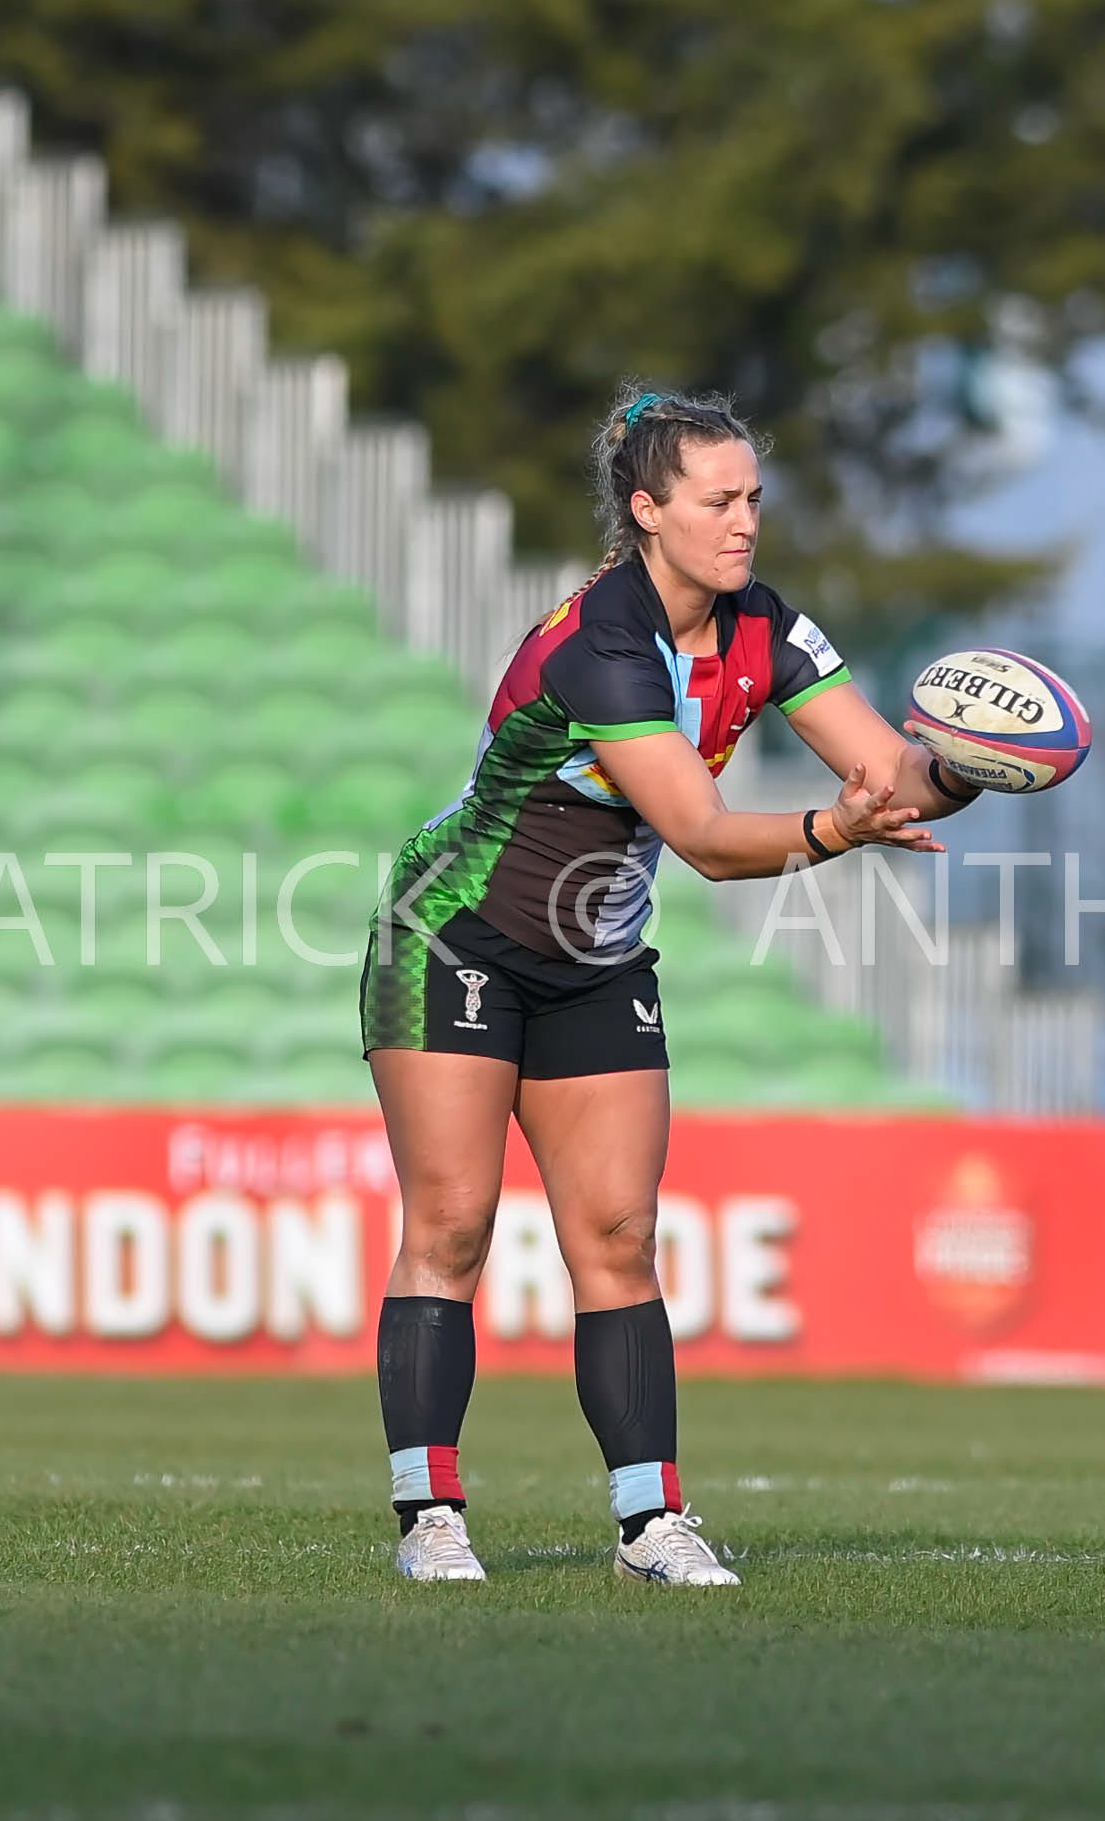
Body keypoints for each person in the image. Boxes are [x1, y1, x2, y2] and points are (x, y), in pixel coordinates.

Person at [360, 382, 980, 1586]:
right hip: (452, 939)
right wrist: (836, 829)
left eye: (754, 496)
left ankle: (651, 1524)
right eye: (718, 499)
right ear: (647, 508)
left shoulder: (769, 629)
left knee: (621, 1233)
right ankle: (429, 1513)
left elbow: (884, 771)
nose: (745, 521)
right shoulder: (600, 642)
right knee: (451, 1224)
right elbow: (700, 832)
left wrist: (967, 765)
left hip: (595, 956)